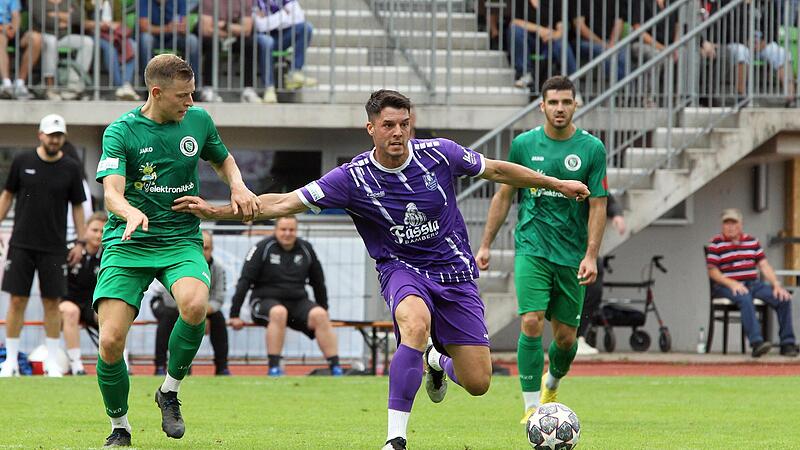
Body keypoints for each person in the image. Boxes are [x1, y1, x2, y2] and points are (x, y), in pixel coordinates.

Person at [173, 88, 589, 450]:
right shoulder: (351, 178)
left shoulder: (439, 154)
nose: (398, 133)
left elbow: (496, 169)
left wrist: (557, 183)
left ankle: (435, 362)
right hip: (402, 269)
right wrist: (216, 211)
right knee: (414, 323)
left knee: (479, 382)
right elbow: (281, 203)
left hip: (455, 274)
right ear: (370, 127)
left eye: (405, 124)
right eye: (389, 125)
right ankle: (395, 438)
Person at [92, 53, 259, 447]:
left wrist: (237, 184)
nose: (190, 102)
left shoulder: (198, 120)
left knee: (196, 304)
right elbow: (112, 192)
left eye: (192, 93)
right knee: (111, 341)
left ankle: (169, 391)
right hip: (128, 240)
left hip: (180, 238)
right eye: (183, 95)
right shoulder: (121, 132)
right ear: (156, 92)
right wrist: (129, 210)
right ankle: (120, 427)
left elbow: (223, 160)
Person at [475, 75, 607, 425]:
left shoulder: (592, 149)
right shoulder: (523, 145)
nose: (560, 108)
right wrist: (486, 244)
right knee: (531, 321)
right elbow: (503, 195)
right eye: (553, 102)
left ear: (576, 104)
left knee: (565, 338)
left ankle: (552, 382)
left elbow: (598, 205)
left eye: (566, 102)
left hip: (571, 254)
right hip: (531, 247)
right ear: (542, 106)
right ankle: (531, 408)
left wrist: (591, 254)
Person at [0, 113, 87, 377]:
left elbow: (78, 208)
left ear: (64, 138)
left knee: (53, 303)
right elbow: (7, 196)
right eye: (50, 134)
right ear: (40, 135)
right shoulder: (22, 161)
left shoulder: (71, 167)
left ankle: (52, 361)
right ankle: (11, 360)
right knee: (17, 301)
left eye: (59, 135)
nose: (54, 139)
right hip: (22, 244)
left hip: (54, 246)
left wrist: (81, 241)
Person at [229, 215, 341, 377]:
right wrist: (234, 314)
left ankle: (335, 367)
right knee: (279, 312)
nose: (287, 233)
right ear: (276, 230)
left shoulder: (306, 249)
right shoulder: (263, 247)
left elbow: (318, 282)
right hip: (264, 300)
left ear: (296, 231)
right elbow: (244, 281)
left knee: (320, 315)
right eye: (283, 229)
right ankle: (274, 367)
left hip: (297, 301)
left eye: (291, 230)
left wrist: (323, 307)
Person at [706, 208, 798, 358]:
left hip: (752, 283)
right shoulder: (716, 243)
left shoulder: (752, 241)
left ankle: (787, 343)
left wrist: (776, 284)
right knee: (745, 297)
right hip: (725, 286)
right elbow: (713, 271)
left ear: (741, 225)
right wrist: (732, 284)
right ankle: (757, 343)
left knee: (783, 298)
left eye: (733, 223)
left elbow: (764, 265)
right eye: (726, 223)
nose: (730, 227)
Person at [150, 230, 230, 376]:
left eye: (206, 248)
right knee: (169, 317)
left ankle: (222, 367)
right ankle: (161, 366)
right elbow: (169, 299)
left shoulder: (218, 269)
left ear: (212, 249)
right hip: (165, 303)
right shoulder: (177, 264)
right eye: (199, 246)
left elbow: (218, 299)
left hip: (201, 308)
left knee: (218, 318)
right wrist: (195, 312)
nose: (202, 251)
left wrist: (200, 313)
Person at [576, 193, 625, 356]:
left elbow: (606, 199)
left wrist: (617, 214)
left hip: (584, 248)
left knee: (593, 289)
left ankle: (579, 336)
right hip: (556, 247)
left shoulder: (588, 176)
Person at [59, 211, 106, 375]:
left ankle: (120, 361)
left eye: (102, 231)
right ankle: (76, 365)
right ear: (85, 229)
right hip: (66, 302)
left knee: (113, 314)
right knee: (71, 311)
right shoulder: (69, 249)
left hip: (92, 304)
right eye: (94, 230)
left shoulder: (109, 254)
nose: (98, 235)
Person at [199, 0, 264, 103]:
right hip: (214, 37)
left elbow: (247, 30)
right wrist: (233, 30)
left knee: (250, 44)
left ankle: (248, 90)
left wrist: (224, 25)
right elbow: (206, 29)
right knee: (211, 43)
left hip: (233, 37)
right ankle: (208, 89)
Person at [30, 0, 95, 100]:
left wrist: (55, 15)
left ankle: (73, 84)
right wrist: (66, 17)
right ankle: (50, 86)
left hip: (64, 37)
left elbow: (79, 17)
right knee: (51, 42)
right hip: (43, 35)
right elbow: (43, 20)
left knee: (87, 42)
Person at [253, 0, 317, 99]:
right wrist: (284, 14)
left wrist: (271, 20)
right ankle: (269, 88)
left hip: (281, 36)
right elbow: (260, 26)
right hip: (260, 39)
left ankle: (294, 72)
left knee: (306, 28)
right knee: (267, 42)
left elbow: (299, 17)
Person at [508, 0, 577, 89]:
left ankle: (574, 84)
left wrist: (553, 35)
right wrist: (540, 29)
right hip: (529, 41)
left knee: (562, 44)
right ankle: (525, 74)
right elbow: (515, 21)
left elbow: (561, 25)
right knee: (515, 30)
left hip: (549, 40)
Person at [81, 0, 140, 100]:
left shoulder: (115, 2)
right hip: (94, 34)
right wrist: (99, 24)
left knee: (132, 45)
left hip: (113, 33)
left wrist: (110, 25)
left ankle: (126, 84)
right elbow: (82, 22)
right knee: (110, 49)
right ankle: (120, 86)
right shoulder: (85, 2)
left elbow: (120, 22)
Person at [138, 0, 200, 84]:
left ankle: (193, 84)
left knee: (192, 40)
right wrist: (168, 28)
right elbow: (144, 27)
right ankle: (148, 84)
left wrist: (182, 28)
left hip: (175, 38)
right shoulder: (144, 1)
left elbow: (185, 24)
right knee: (145, 39)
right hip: (154, 38)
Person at [0, 0, 42, 99]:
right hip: (2, 31)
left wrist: (13, 29)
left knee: (36, 39)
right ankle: (6, 84)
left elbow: (16, 15)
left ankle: (20, 83)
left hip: (10, 30)